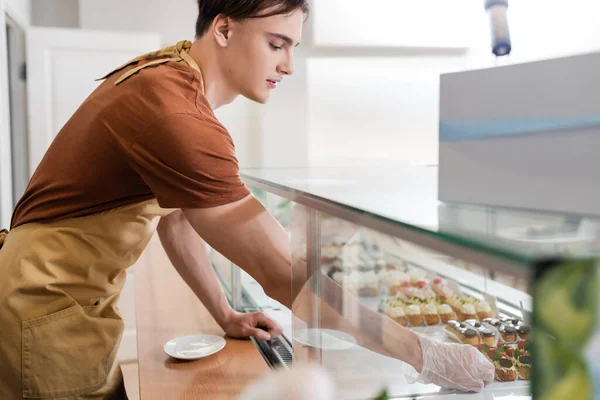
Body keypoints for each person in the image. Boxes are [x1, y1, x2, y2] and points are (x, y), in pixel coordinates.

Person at [0, 0, 493, 398]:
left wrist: (224, 313)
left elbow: (175, 220)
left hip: (57, 297)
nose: (289, 65)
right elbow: (285, 274)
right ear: (224, 29)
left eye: (293, 46)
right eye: (277, 44)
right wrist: (425, 354)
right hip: (45, 305)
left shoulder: (169, 73)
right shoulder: (177, 115)